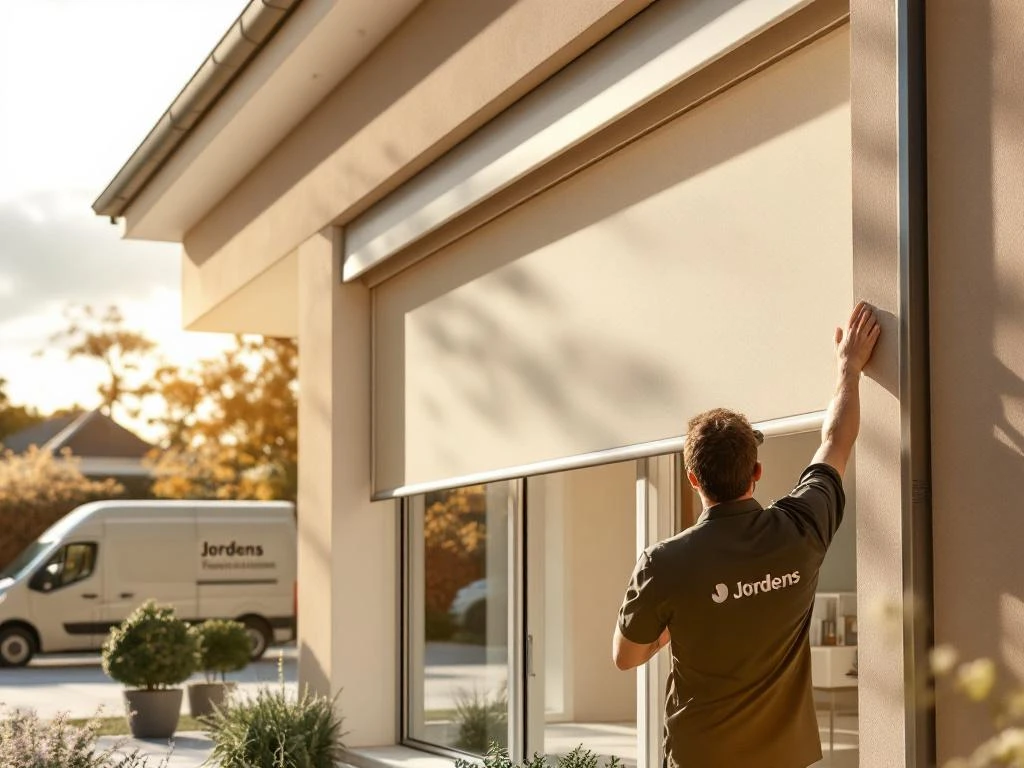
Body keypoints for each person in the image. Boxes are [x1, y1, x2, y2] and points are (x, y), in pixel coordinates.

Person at [611, 301, 881, 768]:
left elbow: (626, 657)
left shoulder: (664, 563)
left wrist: (673, 626)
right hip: (785, 756)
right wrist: (849, 368)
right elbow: (836, 441)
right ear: (756, 472)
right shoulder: (801, 528)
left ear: (693, 479)